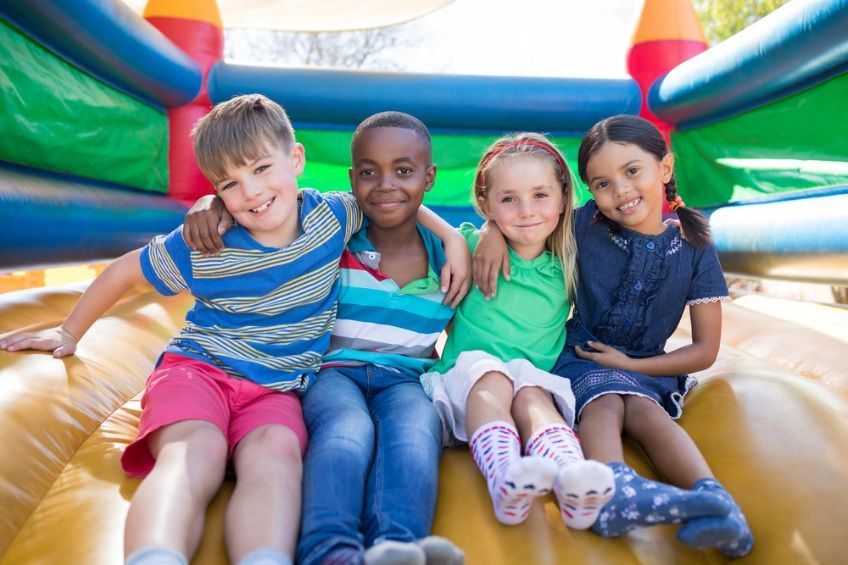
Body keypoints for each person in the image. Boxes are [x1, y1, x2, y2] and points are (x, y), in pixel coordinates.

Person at [0, 93, 362, 565]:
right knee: (197, 449)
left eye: (261, 169)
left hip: (276, 388)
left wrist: (450, 239)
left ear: (295, 159)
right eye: (229, 183)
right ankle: (156, 555)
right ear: (215, 191)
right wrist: (68, 333)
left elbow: (390, 205)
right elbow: (124, 272)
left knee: (276, 457)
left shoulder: (332, 217)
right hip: (198, 369)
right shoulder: (208, 242)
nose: (250, 192)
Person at [182, 112, 469, 565]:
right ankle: (329, 549)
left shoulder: (453, 257)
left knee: (415, 432)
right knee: (346, 430)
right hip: (334, 372)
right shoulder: (333, 235)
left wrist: (454, 236)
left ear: (429, 177)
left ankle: (399, 546)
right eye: (370, 173)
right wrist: (209, 203)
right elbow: (266, 218)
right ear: (353, 180)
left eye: (404, 171)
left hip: (406, 380)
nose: (386, 184)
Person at [473, 115, 753, 557]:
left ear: (664, 168)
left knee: (648, 414)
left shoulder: (695, 248)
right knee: (604, 400)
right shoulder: (584, 226)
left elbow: (705, 350)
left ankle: (716, 501)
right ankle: (613, 489)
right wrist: (489, 231)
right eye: (601, 183)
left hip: (647, 366)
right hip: (584, 355)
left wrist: (635, 365)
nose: (619, 190)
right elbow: (529, 217)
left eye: (632, 171)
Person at [421, 133, 616, 532]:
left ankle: (572, 478)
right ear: (485, 203)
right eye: (508, 199)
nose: (526, 211)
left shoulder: (569, 261)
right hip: (465, 383)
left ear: (563, 200)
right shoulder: (472, 245)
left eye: (540, 195)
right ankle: (504, 475)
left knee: (533, 395)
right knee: (491, 374)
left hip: (530, 377)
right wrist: (486, 230)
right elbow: (411, 208)